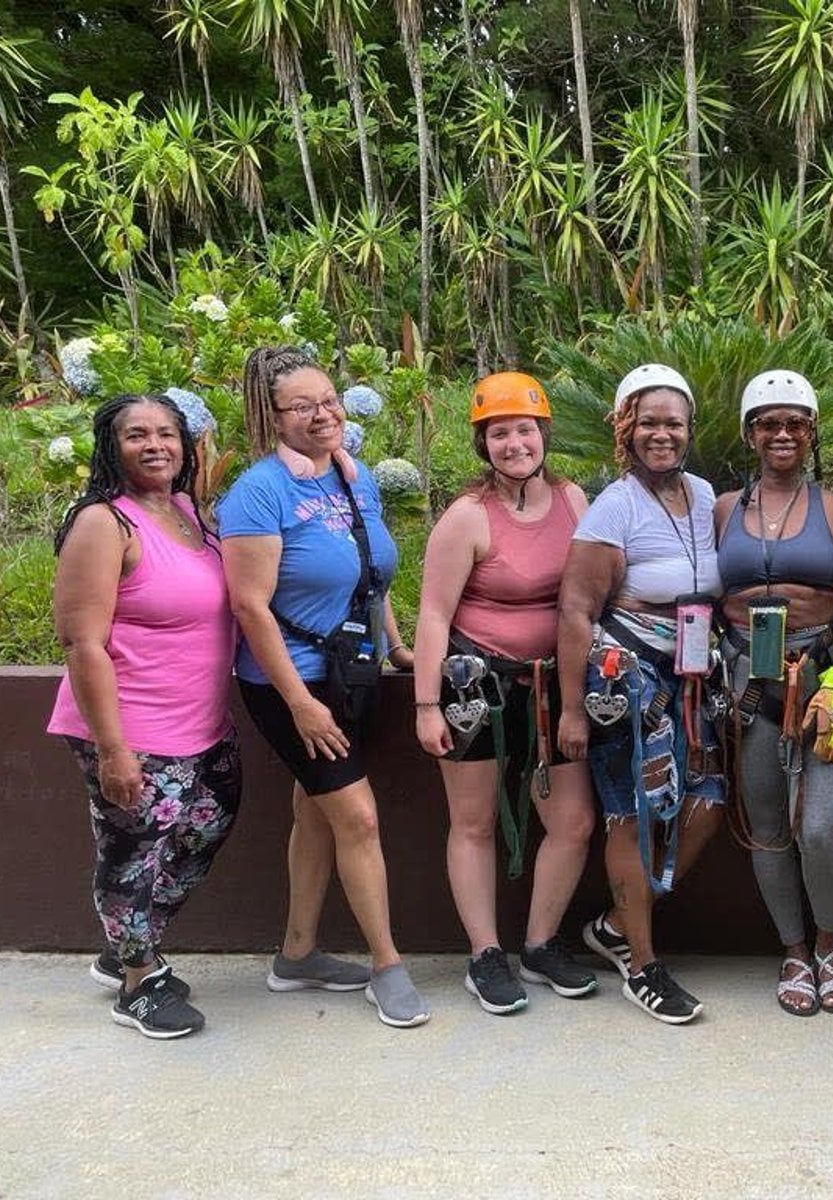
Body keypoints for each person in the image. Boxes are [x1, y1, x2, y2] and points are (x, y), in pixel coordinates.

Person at [217, 345, 427, 1028]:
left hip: (353, 672)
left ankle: (297, 954)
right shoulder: (259, 493)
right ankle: (388, 963)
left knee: (317, 811)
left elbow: (371, 573)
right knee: (357, 818)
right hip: (293, 685)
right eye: (302, 406)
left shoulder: (350, 476)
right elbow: (250, 606)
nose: (322, 414)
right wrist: (301, 703)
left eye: (329, 399)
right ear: (271, 416)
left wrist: (397, 646)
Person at [49, 393, 240, 1039]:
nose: (155, 445)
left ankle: (129, 942)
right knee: (132, 854)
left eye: (167, 433)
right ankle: (136, 982)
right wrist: (112, 750)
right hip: (134, 728)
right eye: (137, 435)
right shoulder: (106, 523)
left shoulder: (186, 510)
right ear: (112, 446)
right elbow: (82, 642)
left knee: (206, 829)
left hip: (202, 723)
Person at [412, 371, 597, 1015]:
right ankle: (485, 953)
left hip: (555, 684)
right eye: (499, 433)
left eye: (524, 429)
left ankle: (542, 944)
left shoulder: (575, 501)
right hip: (477, 684)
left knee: (571, 822)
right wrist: (427, 703)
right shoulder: (467, 517)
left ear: (544, 432)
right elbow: (433, 614)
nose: (514, 443)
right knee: (475, 820)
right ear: (482, 443)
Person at [557, 363, 724, 1025]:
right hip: (624, 683)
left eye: (673, 423)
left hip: (691, 677)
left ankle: (620, 922)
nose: (662, 434)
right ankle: (644, 966)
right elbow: (576, 610)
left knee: (707, 801)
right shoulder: (614, 507)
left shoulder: (706, 495)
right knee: (630, 810)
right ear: (626, 428)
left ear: (689, 429)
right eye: (648, 422)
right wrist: (573, 708)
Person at [713, 370, 833, 1016]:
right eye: (769, 423)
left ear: (810, 433)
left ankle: (832, 943)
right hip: (749, 679)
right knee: (770, 828)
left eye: (795, 423)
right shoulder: (724, 509)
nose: (782, 434)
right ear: (750, 433)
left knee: (822, 825)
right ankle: (795, 949)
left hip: (822, 670)